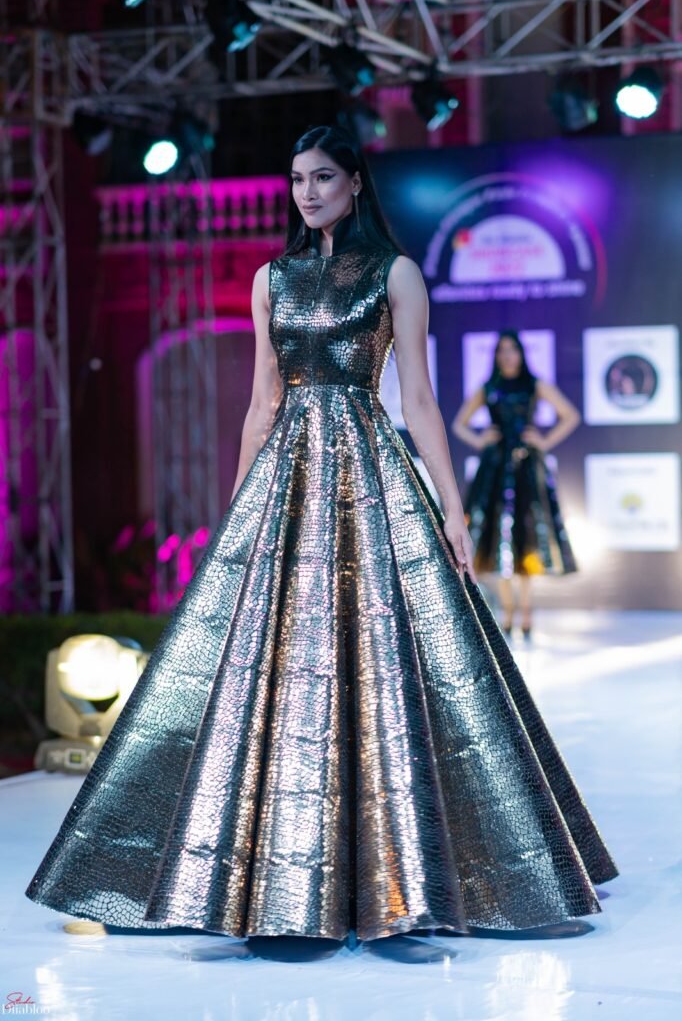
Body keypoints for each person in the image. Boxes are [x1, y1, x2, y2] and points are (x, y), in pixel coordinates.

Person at [25, 125, 617, 943]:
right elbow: (261, 402)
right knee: (276, 666)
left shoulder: (395, 273)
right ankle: (255, 880)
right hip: (286, 480)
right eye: (298, 179)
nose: (308, 192)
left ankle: (412, 875)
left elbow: (420, 400)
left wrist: (452, 506)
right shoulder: (272, 277)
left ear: (355, 183)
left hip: (371, 476)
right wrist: (238, 511)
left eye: (324, 177)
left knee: (393, 657)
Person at [451, 332, 580, 640]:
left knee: (525, 536)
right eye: (502, 351)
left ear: (521, 354)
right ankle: (507, 613)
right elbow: (459, 424)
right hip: (495, 469)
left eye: (513, 350)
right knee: (499, 538)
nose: (508, 356)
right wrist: (480, 440)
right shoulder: (488, 388)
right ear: (496, 356)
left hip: (525, 469)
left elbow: (570, 416)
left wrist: (544, 441)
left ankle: (526, 612)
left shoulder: (534, 385)